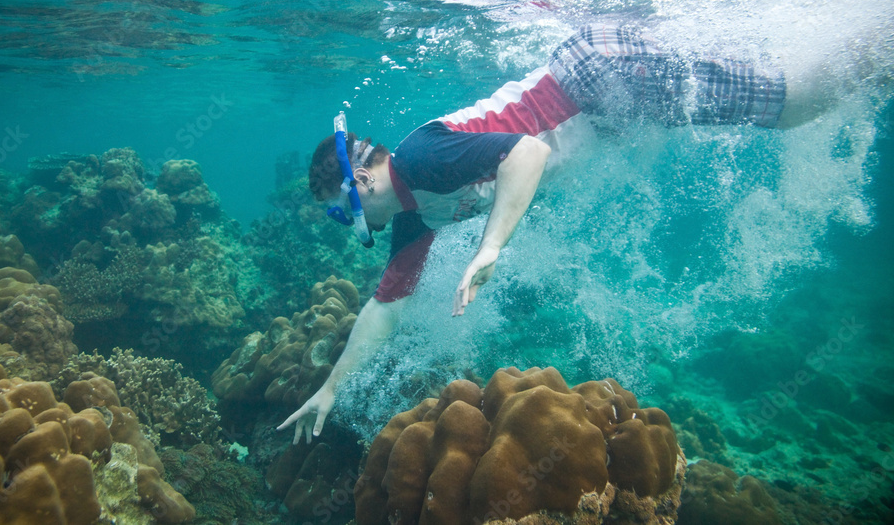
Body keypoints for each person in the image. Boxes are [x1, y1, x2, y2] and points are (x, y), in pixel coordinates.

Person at [277, 22, 834, 444]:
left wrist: (490, 246)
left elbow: (527, 151)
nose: (347, 228)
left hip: (594, 75)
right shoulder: (414, 214)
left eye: (338, 214)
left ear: (364, 181)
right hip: (603, 105)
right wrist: (332, 387)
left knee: (783, 104)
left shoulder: (420, 158)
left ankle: (865, 56)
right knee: (766, 94)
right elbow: (384, 308)